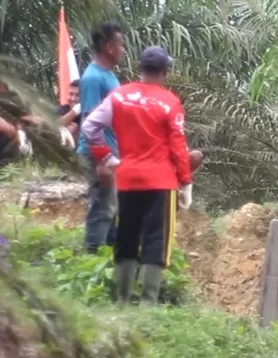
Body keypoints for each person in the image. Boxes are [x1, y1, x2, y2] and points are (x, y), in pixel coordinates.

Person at [81, 46, 197, 306]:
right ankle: (147, 304)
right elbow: (178, 146)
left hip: (128, 178)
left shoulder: (119, 96)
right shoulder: (170, 102)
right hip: (161, 181)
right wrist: (186, 181)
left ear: (140, 68)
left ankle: (123, 301)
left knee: (127, 236)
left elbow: (90, 126)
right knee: (157, 239)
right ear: (165, 71)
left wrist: (107, 157)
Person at [77, 22, 125, 254]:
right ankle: (92, 258)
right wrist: (101, 162)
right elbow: (89, 121)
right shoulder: (93, 79)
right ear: (108, 46)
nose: (123, 49)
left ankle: (110, 259)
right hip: (100, 153)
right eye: (120, 44)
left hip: (110, 151)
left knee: (112, 209)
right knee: (101, 209)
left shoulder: (108, 76)